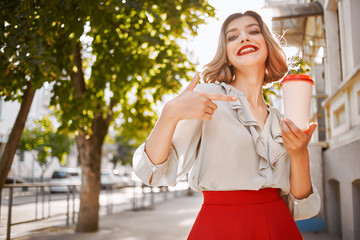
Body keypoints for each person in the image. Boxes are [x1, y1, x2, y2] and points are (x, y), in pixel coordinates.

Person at [132, 11, 321, 240]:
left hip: (279, 226)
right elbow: (153, 173)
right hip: (220, 228)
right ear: (228, 56)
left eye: (253, 31)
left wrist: (300, 153)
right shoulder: (207, 97)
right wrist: (170, 113)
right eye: (232, 37)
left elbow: (300, 206)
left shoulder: (281, 119)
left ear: (267, 45)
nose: (244, 38)